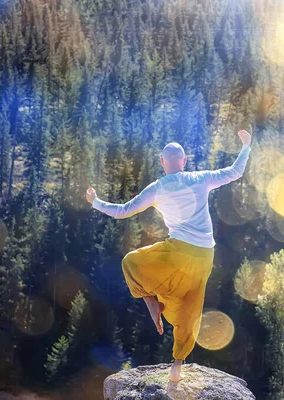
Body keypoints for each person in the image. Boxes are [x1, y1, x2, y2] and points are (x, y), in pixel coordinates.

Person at [85, 130, 252, 382]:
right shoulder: (200, 178)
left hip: (177, 252)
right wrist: (246, 146)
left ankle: (151, 302)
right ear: (184, 162)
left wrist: (95, 201)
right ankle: (177, 366)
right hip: (205, 254)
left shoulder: (158, 187)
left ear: (163, 162)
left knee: (131, 262)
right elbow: (235, 172)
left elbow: (122, 211)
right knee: (191, 307)